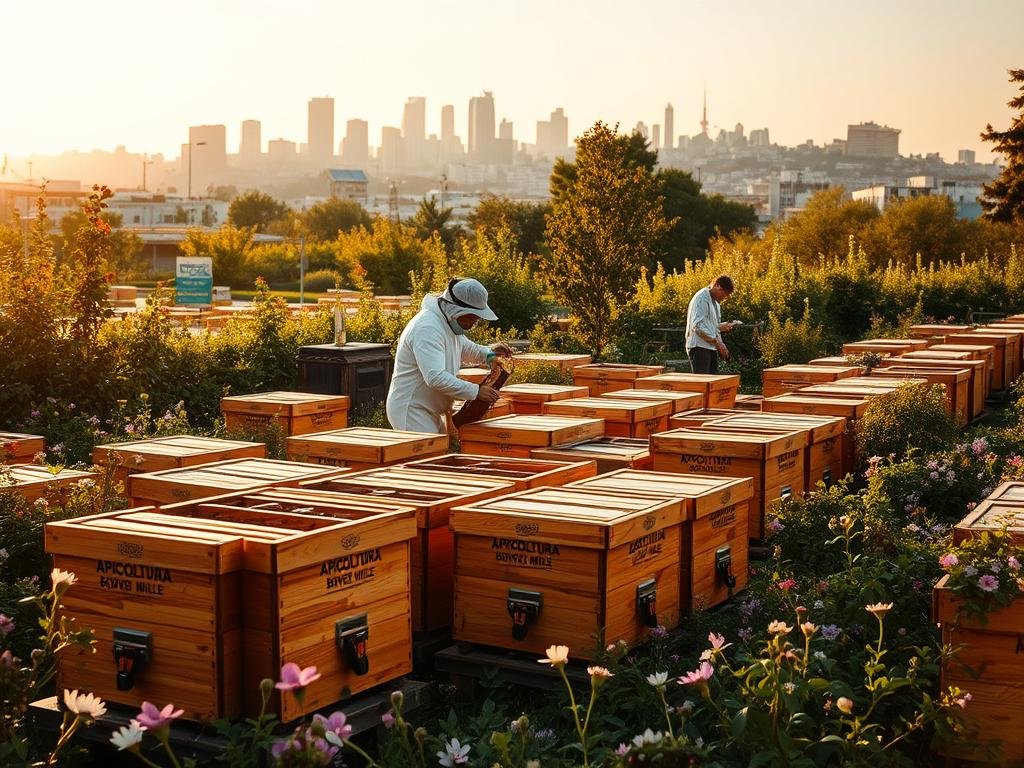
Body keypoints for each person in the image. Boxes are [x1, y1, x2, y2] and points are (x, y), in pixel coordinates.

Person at [386, 277, 513, 434]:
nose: (473, 323)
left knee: (438, 455)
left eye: (476, 318)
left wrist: (490, 355)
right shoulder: (427, 328)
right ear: (455, 308)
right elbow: (435, 377)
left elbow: (466, 348)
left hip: (430, 409)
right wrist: (476, 391)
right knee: (427, 457)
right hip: (412, 410)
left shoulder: (447, 322)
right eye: (470, 317)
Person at [685, 274, 737, 374]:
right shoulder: (701, 298)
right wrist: (717, 343)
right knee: (702, 383)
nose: (724, 298)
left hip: (710, 346)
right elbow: (698, 326)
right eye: (724, 294)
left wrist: (722, 329)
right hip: (699, 346)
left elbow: (712, 326)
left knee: (713, 383)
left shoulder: (716, 303)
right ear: (717, 286)